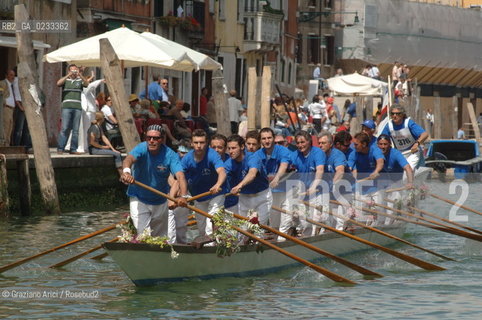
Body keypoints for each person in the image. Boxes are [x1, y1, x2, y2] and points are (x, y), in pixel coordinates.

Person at [120, 124, 188, 237]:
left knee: (159, 238)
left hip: (160, 200)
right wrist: (126, 172)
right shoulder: (141, 148)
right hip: (139, 197)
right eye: (148, 138)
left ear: (162, 139)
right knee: (143, 235)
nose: (151, 141)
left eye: (156, 138)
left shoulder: (170, 154)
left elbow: (180, 176)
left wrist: (184, 197)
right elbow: (129, 159)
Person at [181, 129, 227, 237]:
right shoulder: (187, 158)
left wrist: (218, 184)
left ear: (206, 143)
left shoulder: (212, 155)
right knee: (201, 229)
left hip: (216, 194)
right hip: (198, 197)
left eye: (201, 143)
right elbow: (179, 177)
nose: (198, 146)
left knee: (211, 223)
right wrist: (180, 195)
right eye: (196, 143)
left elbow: (222, 171)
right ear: (191, 143)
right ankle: (209, 243)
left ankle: (211, 246)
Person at [281, 130, 326, 237]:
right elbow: (284, 165)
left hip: (317, 191)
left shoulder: (318, 153)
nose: (300, 145)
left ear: (309, 141)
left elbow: (320, 170)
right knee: (303, 221)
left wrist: (313, 187)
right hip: (302, 191)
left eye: (303, 142)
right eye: (298, 143)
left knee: (313, 222)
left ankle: (316, 234)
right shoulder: (295, 154)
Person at [225, 134, 272, 224]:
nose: (230, 151)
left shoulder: (253, 157)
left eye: (234, 148)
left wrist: (239, 185)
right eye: (229, 148)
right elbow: (222, 176)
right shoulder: (229, 163)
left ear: (242, 147)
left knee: (258, 229)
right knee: (243, 231)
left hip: (262, 197)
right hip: (244, 197)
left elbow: (252, 174)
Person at [256, 128, 291, 230]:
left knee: (286, 220)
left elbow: (284, 165)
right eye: (264, 138)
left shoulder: (283, 150)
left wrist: (277, 178)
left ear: (274, 138)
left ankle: (284, 238)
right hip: (269, 192)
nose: (267, 141)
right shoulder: (258, 154)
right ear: (260, 141)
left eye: (269, 138)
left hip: (286, 190)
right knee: (274, 223)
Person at [376, 134, 413, 225]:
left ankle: (389, 225)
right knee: (378, 206)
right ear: (377, 145)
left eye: (385, 144)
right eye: (380, 144)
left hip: (395, 185)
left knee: (391, 209)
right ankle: (379, 224)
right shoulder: (375, 153)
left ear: (390, 145)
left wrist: (410, 183)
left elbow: (408, 168)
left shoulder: (396, 154)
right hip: (380, 184)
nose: (383, 147)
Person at [381, 104, 428, 170]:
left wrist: (417, 143)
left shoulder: (408, 123)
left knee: (408, 170)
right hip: (400, 153)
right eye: (392, 114)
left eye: (398, 114)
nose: (395, 116)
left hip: (413, 152)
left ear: (402, 115)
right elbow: (382, 139)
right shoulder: (389, 126)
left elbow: (425, 134)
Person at [318, 131, 348, 230]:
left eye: (323, 143)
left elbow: (340, 171)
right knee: (326, 219)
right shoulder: (319, 155)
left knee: (340, 221)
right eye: (319, 143)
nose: (320, 145)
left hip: (344, 191)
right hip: (329, 192)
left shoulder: (338, 155)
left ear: (330, 144)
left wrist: (333, 185)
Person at [56, 64, 89, 154]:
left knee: (76, 130)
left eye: (75, 70)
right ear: (69, 71)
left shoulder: (79, 80)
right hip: (66, 107)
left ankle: (73, 149)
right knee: (64, 128)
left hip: (77, 107)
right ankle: (60, 148)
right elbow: (58, 83)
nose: (74, 72)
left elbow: (86, 84)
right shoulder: (66, 80)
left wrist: (80, 75)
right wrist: (68, 75)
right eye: (72, 70)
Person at [87, 112, 122, 176]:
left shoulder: (99, 127)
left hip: (97, 148)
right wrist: (103, 147)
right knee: (117, 154)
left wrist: (112, 149)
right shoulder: (94, 128)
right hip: (93, 149)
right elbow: (92, 142)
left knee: (116, 152)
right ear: (102, 119)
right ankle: (121, 174)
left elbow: (104, 138)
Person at [210, 133, 239, 212]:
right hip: (212, 203)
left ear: (225, 148)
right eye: (213, 147)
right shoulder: (206, 162)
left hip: (231, 204)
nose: (216, 150)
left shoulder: (233, 162)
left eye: (219, 147)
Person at [0, 69, 26, 147]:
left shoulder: (12, 85)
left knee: (10, 128)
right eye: (11, 75)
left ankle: (7, 146)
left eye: (14, 75)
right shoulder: (2, 83)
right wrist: (4, 103)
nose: (13, 77)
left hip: (11, 109)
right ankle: (3, 146)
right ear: (6, 75)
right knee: (5, 128)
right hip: (6, 108)